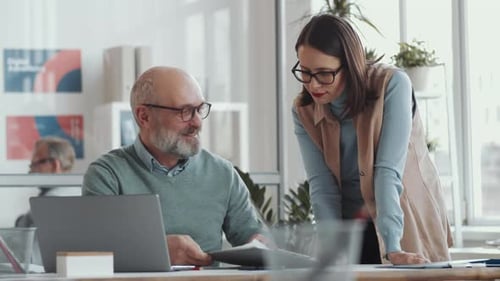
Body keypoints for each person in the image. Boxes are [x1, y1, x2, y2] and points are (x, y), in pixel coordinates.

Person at [291, 14, 452, 265]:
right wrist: (332, 248)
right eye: (305, 72)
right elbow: (322, 186)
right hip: (353, 226)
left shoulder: (392, 85)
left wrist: (392, 247)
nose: (313, 84)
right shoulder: (304, 110)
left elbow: (386, 172)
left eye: (324, 73)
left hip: (401, 218)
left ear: (350, 64)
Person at [82, 66, 268, 266]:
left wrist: (262, 247)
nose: (197, 122)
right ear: (144, 116)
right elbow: (93, 255)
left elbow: (253, 239)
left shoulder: (222, 173)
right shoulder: (107, 174)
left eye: (199, 109)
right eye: (185, 111)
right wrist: (157, 251)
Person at [15, 136, 80, 265]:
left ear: (55, 164)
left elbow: (21, 233)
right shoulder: (79, 192)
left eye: (35, 164)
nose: (31, 171)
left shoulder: (50, 201)